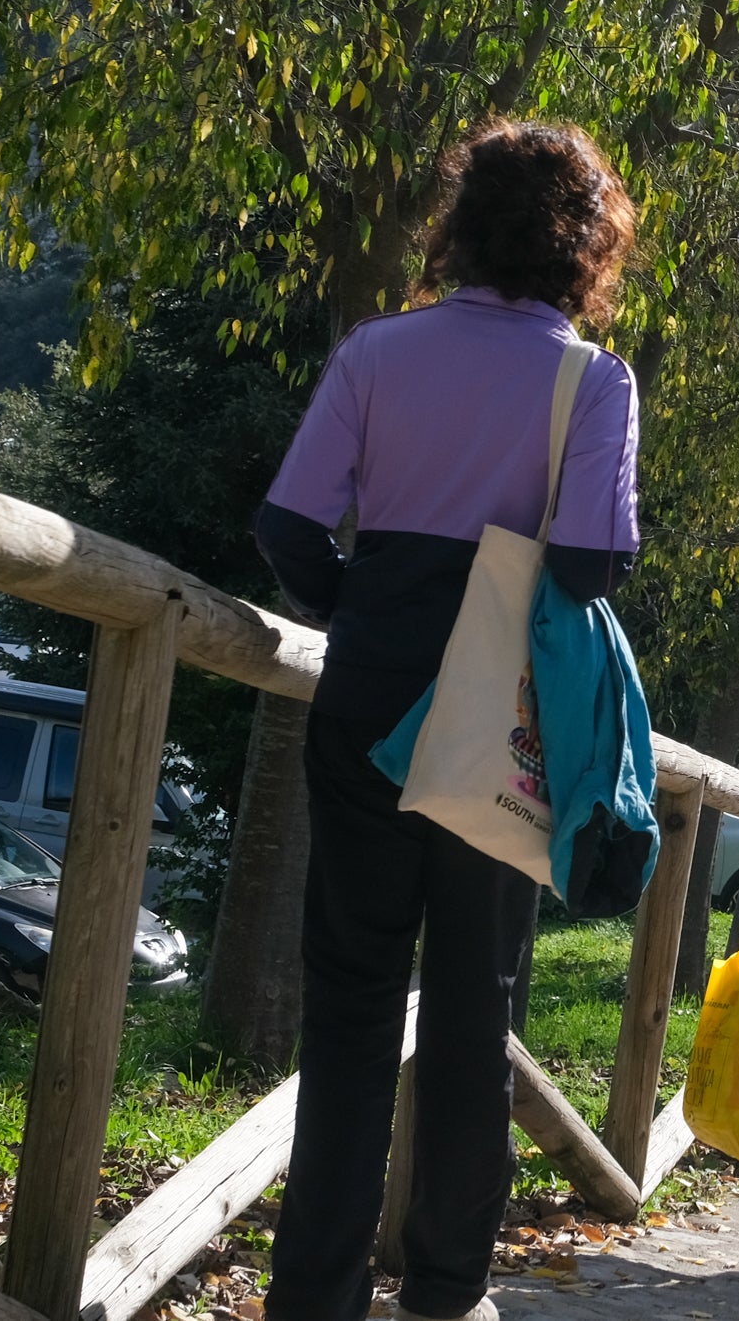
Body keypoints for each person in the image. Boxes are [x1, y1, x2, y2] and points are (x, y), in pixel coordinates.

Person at [252, 121, 641, 1321]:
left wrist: (357, 605)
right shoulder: (593, 380)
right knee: (479, 1003)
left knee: (352, 997)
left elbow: (287, 531)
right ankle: (444, 1290)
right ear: (587, 246)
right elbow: (589, 562)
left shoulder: (377, 352)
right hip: (498, 710)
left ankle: (313, 1294)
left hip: (372, 682)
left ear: (459, 225)